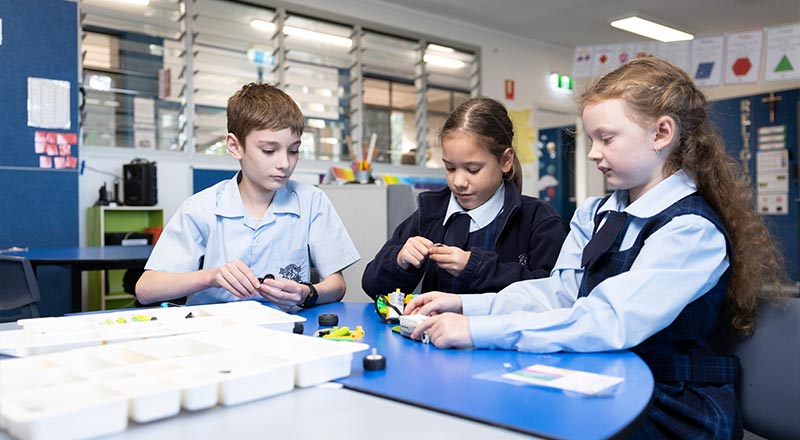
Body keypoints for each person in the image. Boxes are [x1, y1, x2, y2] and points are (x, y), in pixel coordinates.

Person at [405, 57, 786, 439]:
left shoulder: (691, 232)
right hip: (607, 378)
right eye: (591, 140)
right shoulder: (597, 212)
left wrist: (477, 330)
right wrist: (467, 305)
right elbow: (562, 293)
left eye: (606, 138)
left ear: (661, 133)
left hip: (674, 404)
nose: (592, 153)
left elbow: (607, 320)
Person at [136, 83, 360, 310]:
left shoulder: (312, 201)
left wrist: (307, 292)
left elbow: (337, 285)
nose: (284, 163)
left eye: (293, 150)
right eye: (269, 150)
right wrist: (212, 276)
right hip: (217, 333)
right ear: (235, 146)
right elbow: (146, 289)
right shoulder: (201, 208)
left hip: (289, 331)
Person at [361, 97, 566, 299]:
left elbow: (553, 294)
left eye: (472, 169)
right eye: (450, 168)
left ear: (505, 160)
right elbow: (372, 285)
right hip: (436, 332)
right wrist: (399, 261)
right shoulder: (431, 214)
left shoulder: (538, 219)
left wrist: (476, 267)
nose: (458, 181)